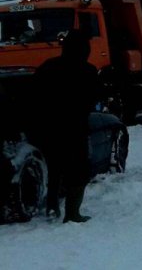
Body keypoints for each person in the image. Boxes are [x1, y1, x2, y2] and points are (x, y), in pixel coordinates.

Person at [33, 29, 100, 223]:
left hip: (49, 128)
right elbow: (93, 98)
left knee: (55, 168)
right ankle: (72, 213)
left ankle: (52, 206)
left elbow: (34, 95)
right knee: (78, 171)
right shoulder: (88, 71)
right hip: (75, 128)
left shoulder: (48, 67)